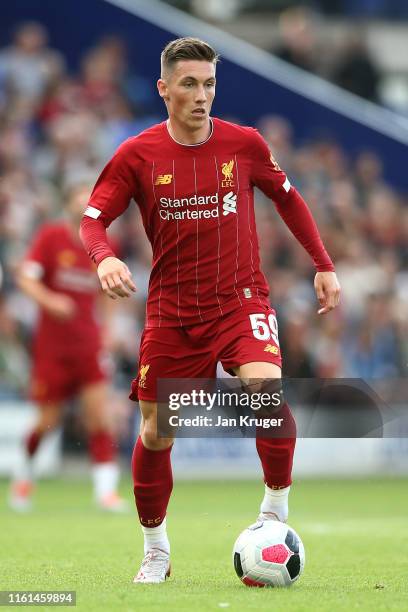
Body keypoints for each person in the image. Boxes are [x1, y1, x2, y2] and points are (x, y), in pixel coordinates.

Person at [80, 37, 341, 583]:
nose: (203, 96)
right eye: (190, 84)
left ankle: (274, 511)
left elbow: (288, 197)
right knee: (156, 433)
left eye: (210, 84)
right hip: (173, 312)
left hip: (239, 299)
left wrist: (323, 262)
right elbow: (92, 220)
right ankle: (156, 550)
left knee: (265, 391)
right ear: (164, 89)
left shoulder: (244, 145)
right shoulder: (136, 154)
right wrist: (104, 258)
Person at [9, 182, 128, 513]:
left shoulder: (106, 244)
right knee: (47, 420)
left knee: (99, 416)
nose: (87, 199)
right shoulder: (51, 237)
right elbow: (25, 278)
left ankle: (105, 492)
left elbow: (110, 293)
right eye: (81, 193)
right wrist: (51, 300)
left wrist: (107, 332)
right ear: (69, 200)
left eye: (92, 194)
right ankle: (24, 475)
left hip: (87, 343)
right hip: (52, 348)